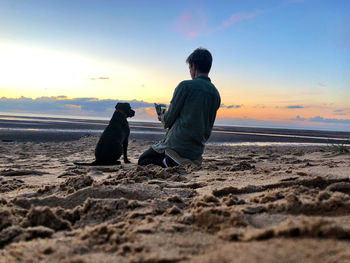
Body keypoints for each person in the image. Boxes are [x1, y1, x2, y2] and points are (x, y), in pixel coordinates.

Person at [138, 48, 221, 168]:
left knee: (144, 160)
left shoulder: (185, 86)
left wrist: (162, 117)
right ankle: (181, 162)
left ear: (193, 66)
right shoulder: (216, 94)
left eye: (189, 68)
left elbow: (168, 120)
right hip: (196, 150)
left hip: (177, 145)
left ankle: (171, 162)